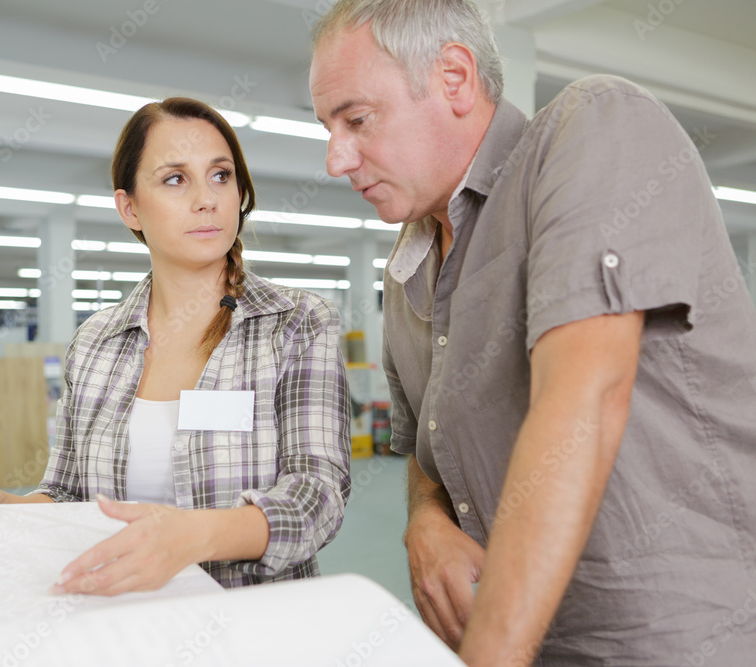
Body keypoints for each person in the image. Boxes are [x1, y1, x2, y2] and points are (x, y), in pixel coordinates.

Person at [310, 1, 756, 665]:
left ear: (454, 78)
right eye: (327, 127)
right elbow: (425, 451)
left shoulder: (595, 128)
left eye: (356, 119)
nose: (334, 158)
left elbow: (585, 393)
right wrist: (426, 519)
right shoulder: (410, 266)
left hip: (672, 637)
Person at [0, 97, 352, 594]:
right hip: (122, 622)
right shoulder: (96, 342)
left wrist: (193, 537)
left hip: (252, 629)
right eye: (175, 179)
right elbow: (68, 493)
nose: (206, 198)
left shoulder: (297, 325)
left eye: (221, 175)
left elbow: (318, 497)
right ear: (131, 208)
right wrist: (3, 507)